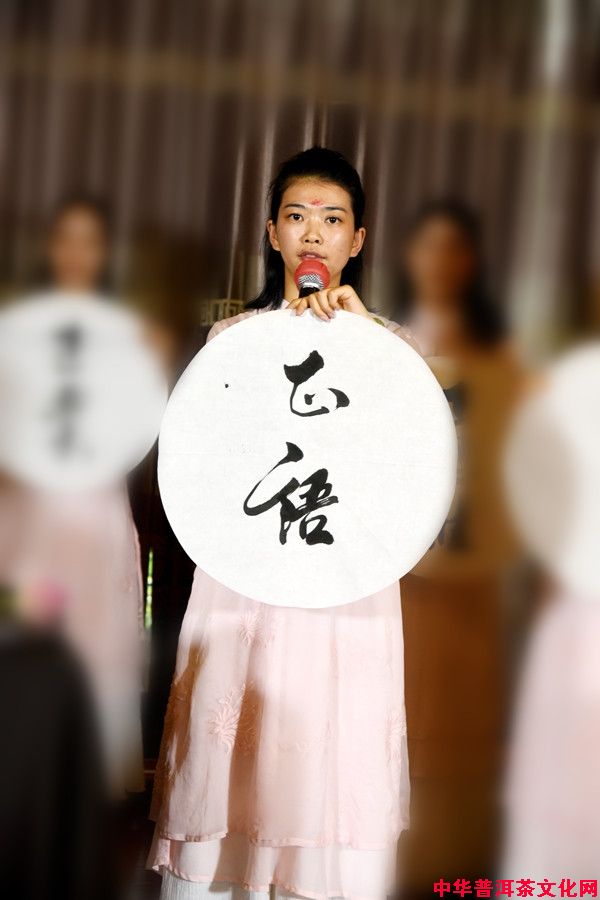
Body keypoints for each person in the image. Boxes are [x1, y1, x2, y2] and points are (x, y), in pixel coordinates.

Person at [148, 147, 419, 900]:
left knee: (329, 750)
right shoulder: (229, 343)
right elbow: (207, 468)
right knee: (232, 736)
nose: (313, 234)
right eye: (296, 217)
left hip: (347, 584)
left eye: (332, 220)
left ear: (357, 240)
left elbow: (408, 473)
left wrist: (367, 349)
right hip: (248, 576)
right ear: (272, 233)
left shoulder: (394, 350)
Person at [393, 200, 524, 887]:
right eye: (429, 247)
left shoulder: (500, 360)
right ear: (410, 258)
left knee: (466, 709)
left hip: (472, 566)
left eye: (454, 249)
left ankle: (457, 862)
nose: (440, 262)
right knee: (400, 702)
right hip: (403, 563)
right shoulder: (388, 343)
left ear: (470, 262)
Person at [0, 194, 146, 798]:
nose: (77, 252)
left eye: (90, 240)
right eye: (66, 238)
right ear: (49, 247)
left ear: (104, 253)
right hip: (30, 513)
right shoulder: (17, 330)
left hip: (98, 508)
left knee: (94, 644)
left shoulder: (127, 336)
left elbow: (138, 425)